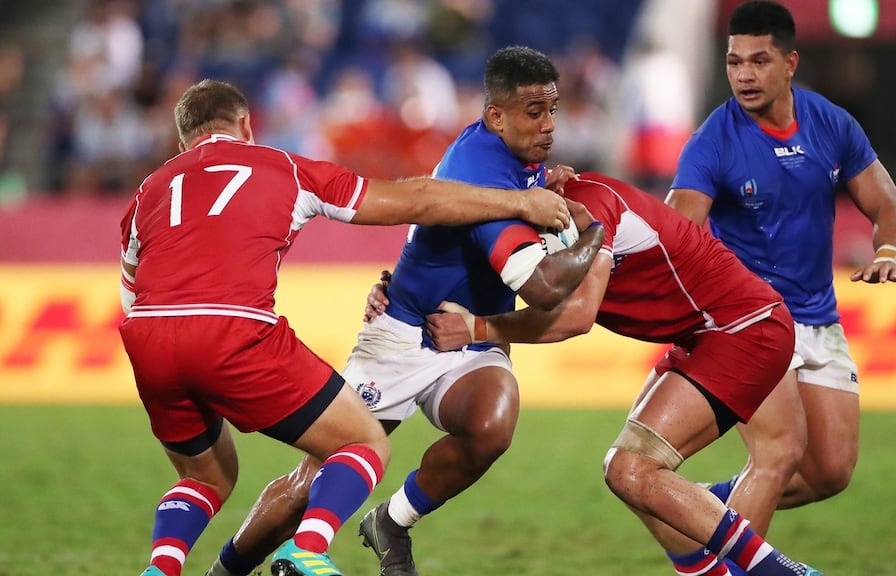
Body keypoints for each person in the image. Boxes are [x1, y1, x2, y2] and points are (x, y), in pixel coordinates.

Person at [119, 78, 573, 576]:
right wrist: (519, 204)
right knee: (360, 444)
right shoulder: (284, 167)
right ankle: (307, 550)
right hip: (244, 329)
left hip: (150, 339)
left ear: (182, 142)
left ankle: (162, 568)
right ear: (246, 124)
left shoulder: (149, 190)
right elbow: (416, 201)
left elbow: (131, 294)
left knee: (204, 476)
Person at [416, 172, 825, 576]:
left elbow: (576, 317)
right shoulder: (532, 220)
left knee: (630, 468)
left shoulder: (587, 204)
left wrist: (477, 329)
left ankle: (784, 572)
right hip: (704, 334)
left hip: (743, 328)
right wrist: (398, 296)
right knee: (638, 484)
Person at [665, 0, 896, 567]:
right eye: (734, 62)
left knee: (829, 471)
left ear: (790, 62)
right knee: (777, 455)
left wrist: (889, 251)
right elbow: (679, 229)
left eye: (759, 61)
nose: (744, 75)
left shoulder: (831, 124)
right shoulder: (713, 140)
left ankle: (694, 509)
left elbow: (888, 206)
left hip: (818, 317)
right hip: (750, 321)